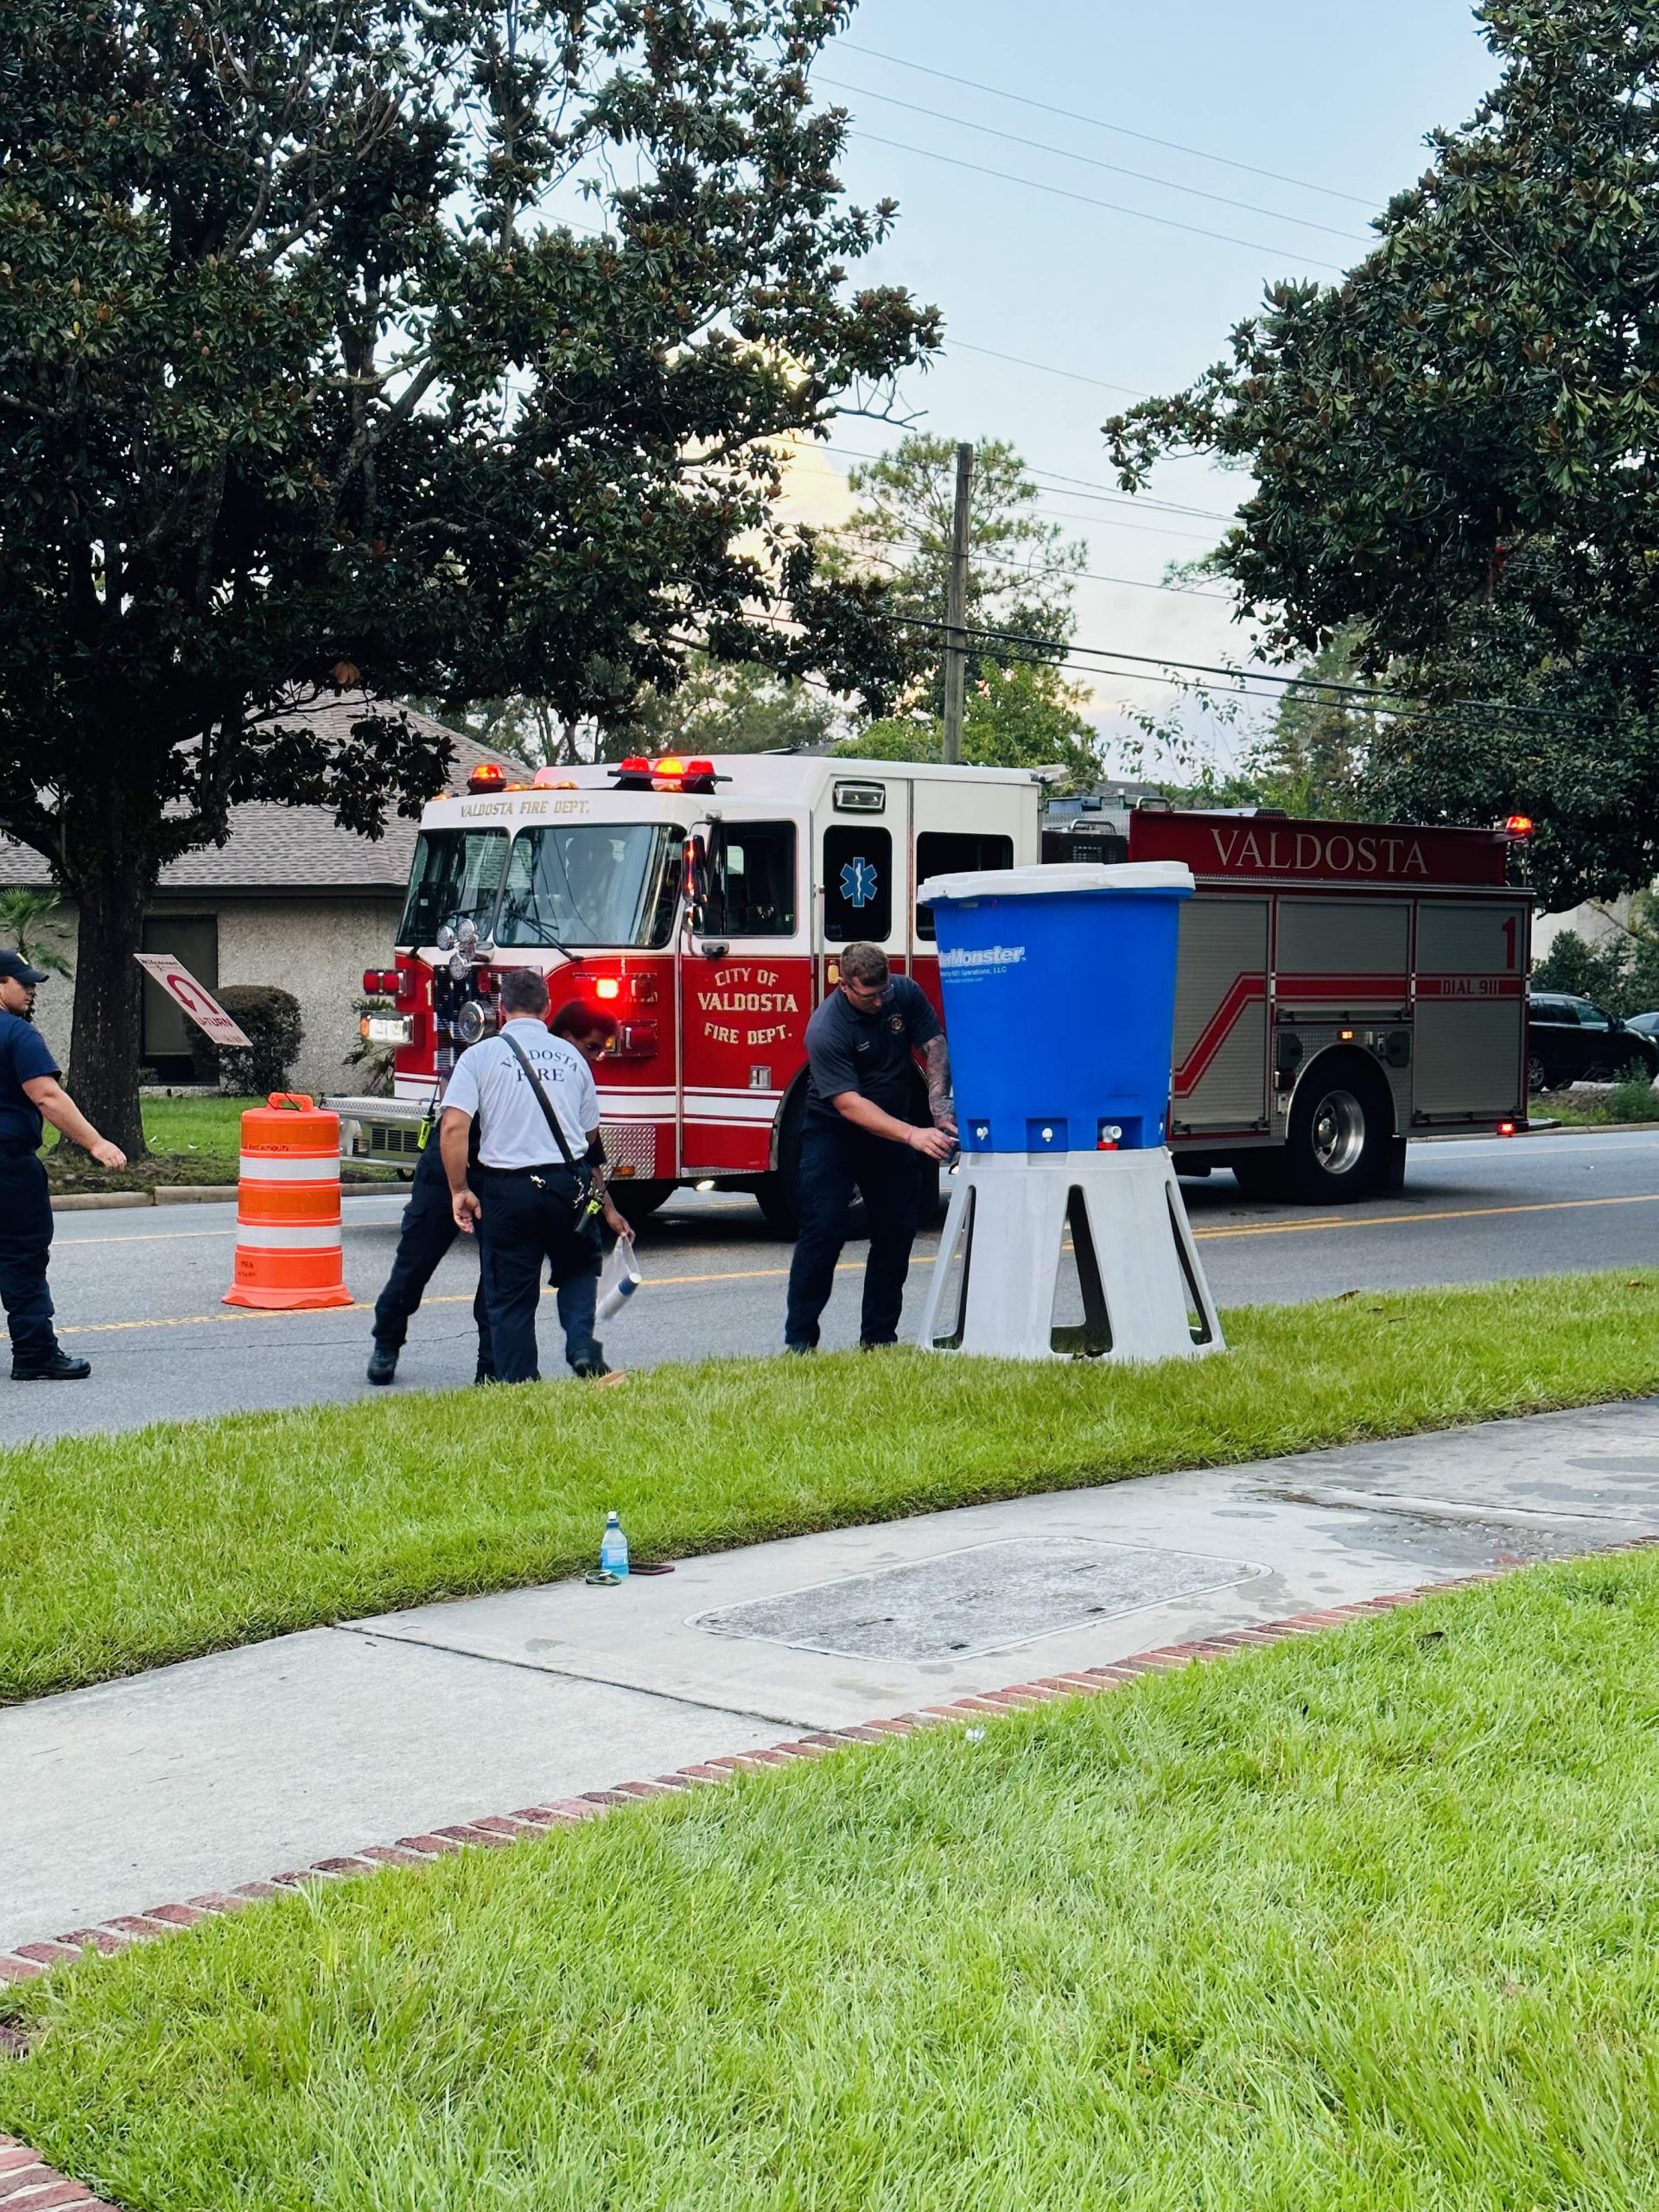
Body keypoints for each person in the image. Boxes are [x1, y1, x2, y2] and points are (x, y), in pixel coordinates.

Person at [440, 966, 632, 1382]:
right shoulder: (575, 1060)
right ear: (547, 1009)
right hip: (568, 1186)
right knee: (580, 1266)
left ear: (502, 1010)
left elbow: (454, 1127)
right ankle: (581, 1347)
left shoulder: (479, 1056)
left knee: (510, 1296)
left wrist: (460, 1190)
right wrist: (609, 1207)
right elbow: (590, 1140)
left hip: (508, 1191)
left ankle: (519, 1385)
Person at [784, 940, 956, 1354]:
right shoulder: (826, 1028)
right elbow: (849, 1104)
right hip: (835, 1135)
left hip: (890, 1134)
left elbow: (934, 1045)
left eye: (884, 991)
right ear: (845, 986)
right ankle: (801, 1341)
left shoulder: (904, 992)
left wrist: (938, 1106)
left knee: (896, 1230)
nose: (880, 1001)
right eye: (870, 995)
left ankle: (878, 1339)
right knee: (823, 1231)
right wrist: (913, 1134)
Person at [0, 949, 127, 1382]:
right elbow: (47, 1096)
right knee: (21, 1258)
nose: (32, 989)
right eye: (23, 982)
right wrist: (96, 1142)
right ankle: (35, 1354)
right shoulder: (17, 1035)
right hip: (8, 1168)